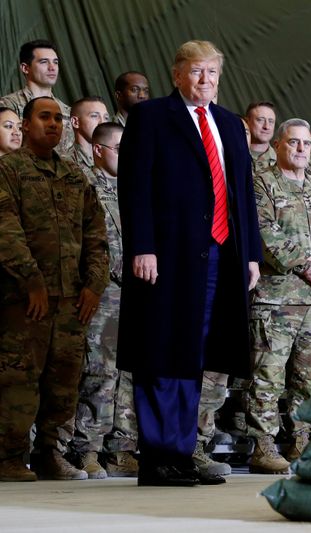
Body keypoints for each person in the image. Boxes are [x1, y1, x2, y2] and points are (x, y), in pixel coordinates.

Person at [116, 40, 261, 487]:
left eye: (212, 73)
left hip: (220, 255)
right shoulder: (152, 117)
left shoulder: (230, 125)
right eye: (197, 72)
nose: (205, 81)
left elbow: (243, 195)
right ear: (178, 74)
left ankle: (180, 453)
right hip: (166, 255)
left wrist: (252, 253)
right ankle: (157, 455)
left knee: (194, 353)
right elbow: (135, 186)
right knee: (161, 350)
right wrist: (142, 245)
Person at [0, 96, 109, 482]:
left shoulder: (75, 175)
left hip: (71, 301)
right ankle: (9, 457)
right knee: (18, 380)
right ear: (26, 125)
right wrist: (31, 280)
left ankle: (51, 454)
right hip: (23, 300)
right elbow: (6, 231)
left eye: (59, 119)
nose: (53, 124)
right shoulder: (8, 169)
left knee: (64, 382)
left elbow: (97, 236)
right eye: (44, 117)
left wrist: (94, 286)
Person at [246, 118, 311, 473]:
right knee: (268, 374)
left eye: (306, 143)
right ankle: (263, 444)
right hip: (278, 297)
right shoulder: (262, 182)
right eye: (294, 142)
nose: (302, 148)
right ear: (279, 145)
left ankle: (302, 440)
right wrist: (305, 263)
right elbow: (263, 230)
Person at [70, 122, 138, 479]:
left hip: (139, 291)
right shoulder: (84, 186)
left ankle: (123, 448)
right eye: (118, 148)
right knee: (100, 371)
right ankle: (88, 448)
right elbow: (85, 243)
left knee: (131, 373)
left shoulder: (137, 188)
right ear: (98, 149)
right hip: (105, 292)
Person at [0, 40, 74, 154]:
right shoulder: (7, 106)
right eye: (44, 62)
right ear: (25, 68)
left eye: (55, 62)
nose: (52, 67)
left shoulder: (67, 112)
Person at [65, 97, 110, 176]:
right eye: (94, 116)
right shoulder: (67, 163)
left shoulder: (112, 156)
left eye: (106, 118)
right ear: (76, 122)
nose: (102, 123)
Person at [246, 101, 277, 174]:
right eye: (260, 120)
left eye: (271, 121)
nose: (266, 126)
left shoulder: (281, 160)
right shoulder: (232, 155)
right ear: (247, 122)